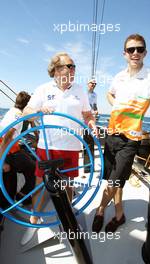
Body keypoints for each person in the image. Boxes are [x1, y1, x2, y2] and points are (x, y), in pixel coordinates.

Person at [92, 33, 150, 233]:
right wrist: (117, 106)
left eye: (139, 49)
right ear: (125, 53)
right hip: (112, 135)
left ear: (145, 52)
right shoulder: (119, 77)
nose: (135, 52)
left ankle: (101, 210)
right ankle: (119, 214)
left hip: (131, 139)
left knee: (113, 180)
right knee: (115, 179)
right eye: (131, 49)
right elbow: (109, 93)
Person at [23, 52, 97, 226]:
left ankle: (66, 216)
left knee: (68, 185)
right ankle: (34, 217)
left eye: (74, 67)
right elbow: (27, 113)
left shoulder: (80, 90)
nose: (73, 70)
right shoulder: (43, 89)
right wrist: (38, 111)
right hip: (47, 147)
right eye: (69, 66)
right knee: (40, 184)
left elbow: (87, 114)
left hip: (71, 147)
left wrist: (91, 122)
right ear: (56, 70)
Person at [0, 91, 36, 209]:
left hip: (8, 149)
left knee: (10, 180)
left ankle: (7, 206)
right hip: (9, 151)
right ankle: (23, 196)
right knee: (35, 169)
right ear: (26, 106)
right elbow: (7, 138)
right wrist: (2, 161)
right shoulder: (19, 116)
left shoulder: (12, 111)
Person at [84, 79, 98, 173]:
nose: (93, 85)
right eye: (91, 83)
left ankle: (89, 166)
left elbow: (95, 105)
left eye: (94, 83)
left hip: (90, 121)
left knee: (89, 143)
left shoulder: (95, 95)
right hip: (81, 120)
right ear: (87, 84)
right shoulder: (83, 93)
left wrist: (96, 110)